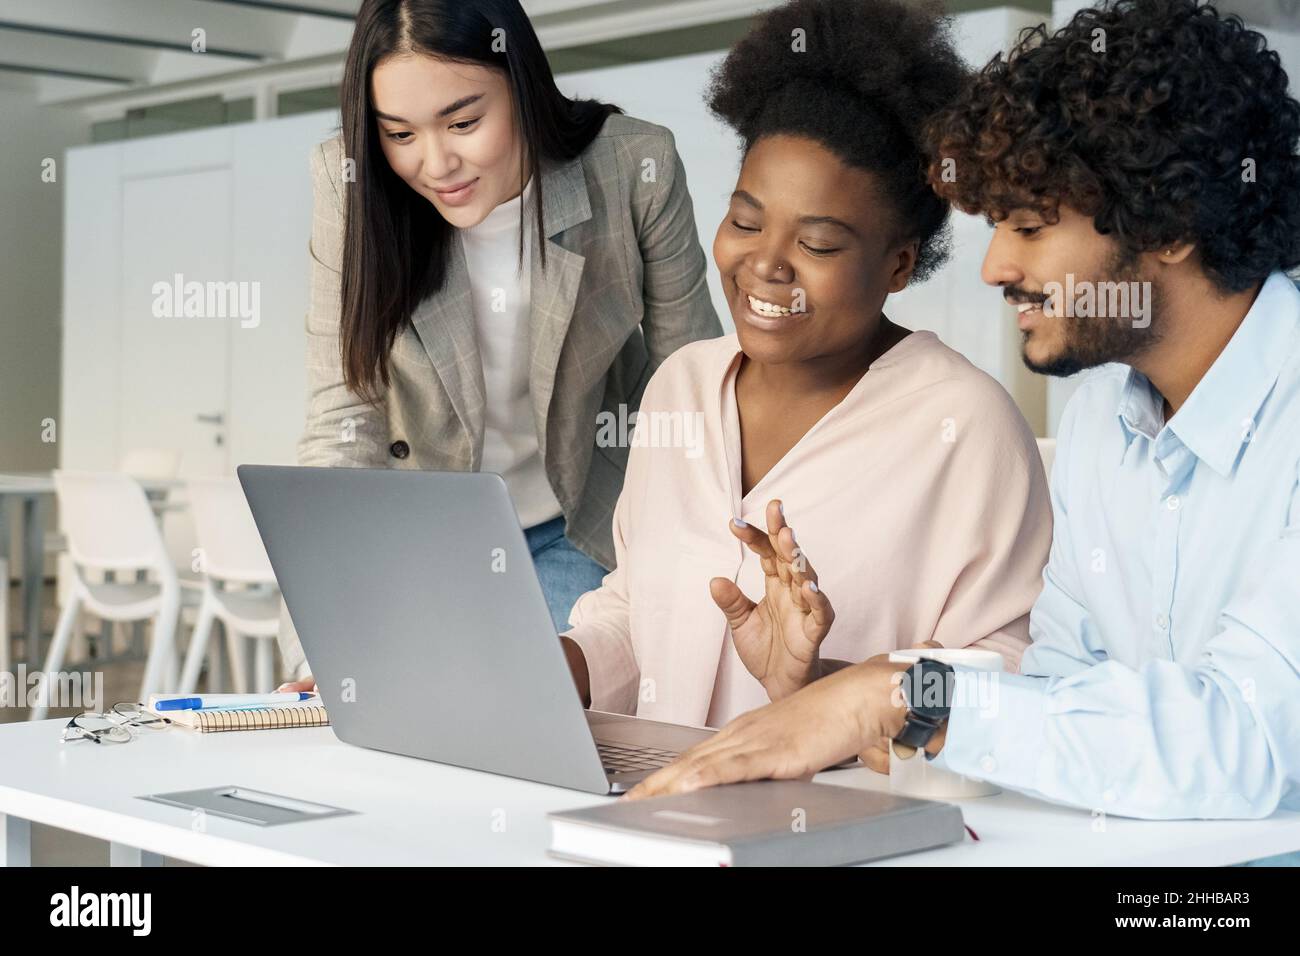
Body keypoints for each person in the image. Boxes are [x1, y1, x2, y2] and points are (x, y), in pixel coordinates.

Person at [629, 0, 1300, 835]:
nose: (993, 267)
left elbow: (1251, 742)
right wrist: (838, 690)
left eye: (1027, 227)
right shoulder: (1104, 420)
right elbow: (1051, 706)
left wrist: (890, 695)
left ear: (1166, 224)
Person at [557, 0, 1052, 728]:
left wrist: (818, 683)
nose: (764, 265)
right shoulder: (681, 388)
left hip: (846, 819)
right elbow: (635, 608)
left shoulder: (965, 426)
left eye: (817, 245)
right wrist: (542, 669)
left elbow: (1006, 685)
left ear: (898, 265)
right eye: (745, 221)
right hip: (657, 797)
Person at [276, 0, 720, 685]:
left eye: (464, 122)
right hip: (424, 523)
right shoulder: (350, 180)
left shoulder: (633, 164)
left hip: (580, 519)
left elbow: (689, 383)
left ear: (520, 81)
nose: (435, 163)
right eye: (399, 134)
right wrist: (325, 619)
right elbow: (343, 412)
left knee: (555, 729)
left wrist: (680, 568)